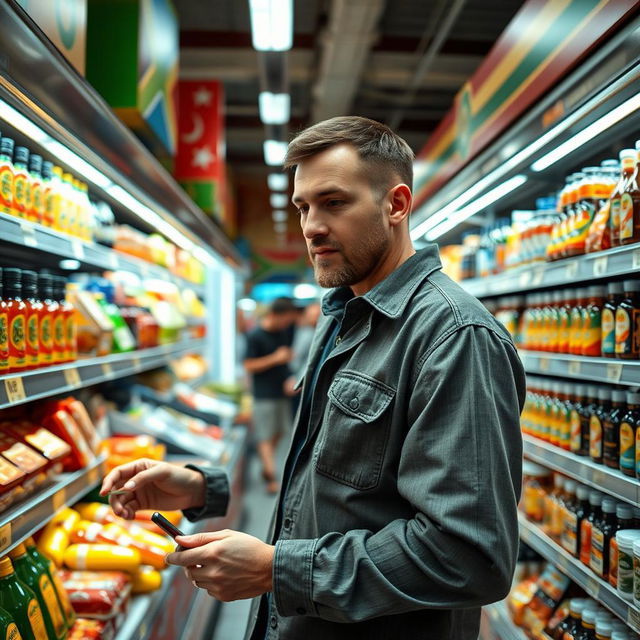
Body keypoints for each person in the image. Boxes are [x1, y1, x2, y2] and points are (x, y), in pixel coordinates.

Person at [101, 116, 525, 640]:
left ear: (396, 205)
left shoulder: (455, 338)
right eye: (303, 206)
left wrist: (276, 569)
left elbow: (469, 555)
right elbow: (337, 479)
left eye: (334, 202)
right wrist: (203, 489)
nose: (310, 226)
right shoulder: (343, 314)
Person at [244, 296, 298, 493]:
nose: (287, 324)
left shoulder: (283, 333)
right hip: (263, 394)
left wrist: (291, 377)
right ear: (274, 314)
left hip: (282, 392)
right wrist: (275, 358)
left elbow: (285, 362)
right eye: (285, 319)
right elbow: (249, 365)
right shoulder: (255, 336)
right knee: (265, 436)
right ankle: (271, 476)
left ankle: (267, 466)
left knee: (281, 432)